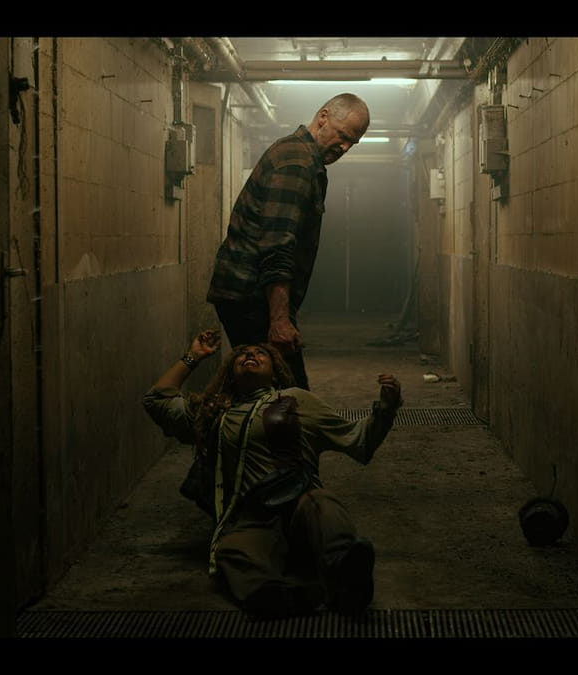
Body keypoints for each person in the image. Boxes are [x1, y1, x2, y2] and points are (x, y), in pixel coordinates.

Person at [142, 328, 401, 619]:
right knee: (232, 550)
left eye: (260, 353)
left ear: (275, 374)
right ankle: (277, 596)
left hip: (300, 505)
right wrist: (194, 356)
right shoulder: (213, 412)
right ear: (230, 374)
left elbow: (359, 440)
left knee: (324, 504)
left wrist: (386, 408)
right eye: (241, 354)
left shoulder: (298, 400)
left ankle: (347, 577)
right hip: (252, 516)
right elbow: (157, 400)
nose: (250, 354)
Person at [206, 93, 371, 390]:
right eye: (344, 136)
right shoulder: (296, 162)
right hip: (252, 298)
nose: (345, 147)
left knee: (267, 391)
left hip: (248, 295)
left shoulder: (303, 159)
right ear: (323, 117)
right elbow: (277, 245)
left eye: (353, 143)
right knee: (288, 393)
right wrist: (280, 320)